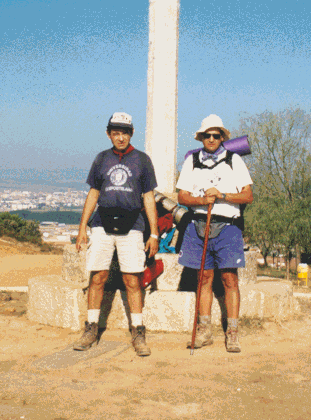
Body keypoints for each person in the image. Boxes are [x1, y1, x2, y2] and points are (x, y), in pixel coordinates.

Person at [75, 112, 160, 357]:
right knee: (98, 277)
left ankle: (138, 329)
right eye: (115, 132)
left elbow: (148, 197)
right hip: (102, 223)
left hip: (133, 224)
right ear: (108, 133)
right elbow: (93, 194)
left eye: (124, 132)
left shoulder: (142, 160)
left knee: (133, 280)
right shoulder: (101, 159)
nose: (120, 137)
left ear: (131, 133)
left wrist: (154, 233)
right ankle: (91, 327)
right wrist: (82, 228)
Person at [175, 114, 253, 352]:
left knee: (229, 279)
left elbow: (247, 195)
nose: (211, 139)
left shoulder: (234, 160)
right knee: (204, 279)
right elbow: (182, 196)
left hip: (228, 225)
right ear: (201, 137)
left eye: (215, 135)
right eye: (207, 135)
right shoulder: (192, 161)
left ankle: (232, 332)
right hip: (198, 223)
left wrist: (221, 195)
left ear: (222, 137)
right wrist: (201, 199)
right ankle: (205, 330)